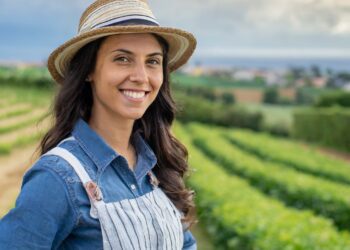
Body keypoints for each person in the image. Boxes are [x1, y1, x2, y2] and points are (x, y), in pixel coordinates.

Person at [0, 0, 198, 249]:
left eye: (152, 61)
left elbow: (185, 244)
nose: (141, 77)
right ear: (88, 70)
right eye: (123, 59)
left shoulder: (157, 164)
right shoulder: (58, 178)